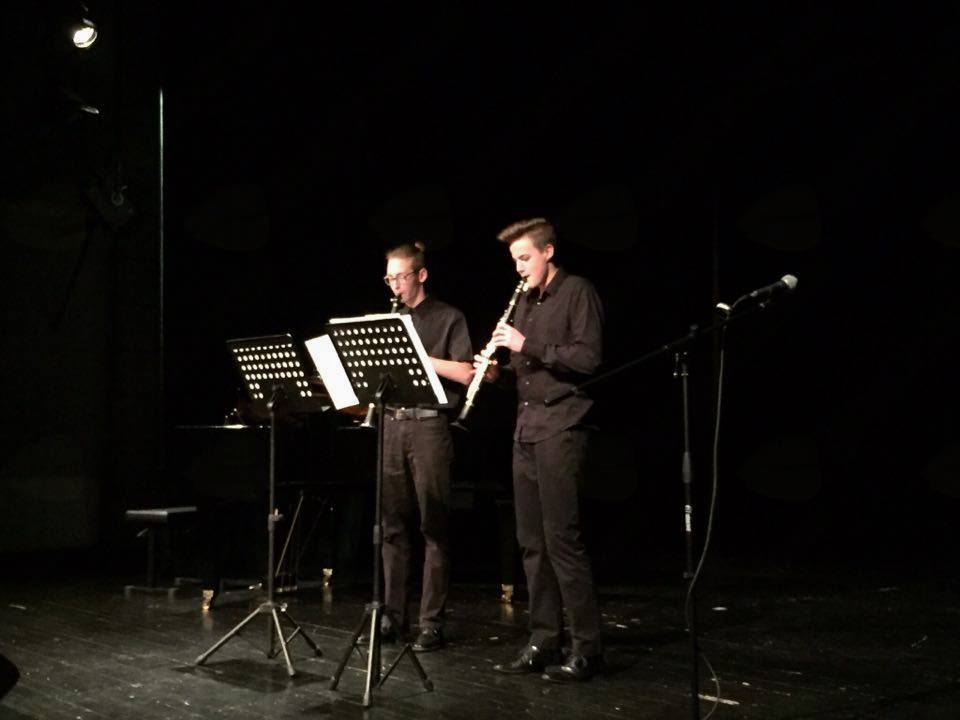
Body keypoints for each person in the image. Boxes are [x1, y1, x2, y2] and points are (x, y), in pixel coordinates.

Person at [484, 218, 605, 682]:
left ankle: (587, 648)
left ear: (548, 252)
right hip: (526, 429)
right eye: (514, 261)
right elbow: (526, 371)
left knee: (561, 540)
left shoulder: (578, 292)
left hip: (563, 426)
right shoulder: (524, 302)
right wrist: (495, 373)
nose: (519, 268)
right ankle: (543, 639)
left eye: (525, 258)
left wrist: (526, 343)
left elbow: (588, 358)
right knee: (531, 542)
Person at [379, 241, 474, 652]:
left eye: (401, 277)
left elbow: (467, 373)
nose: (395, 286)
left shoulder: (448, 317)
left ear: (421, 275)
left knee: (433, 527)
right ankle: (392, 617)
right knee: (391, 528)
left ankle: (431, 623)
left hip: (429, 426)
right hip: (391, 426)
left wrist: (417, 355)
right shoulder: (388, 320)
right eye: (389, 278)